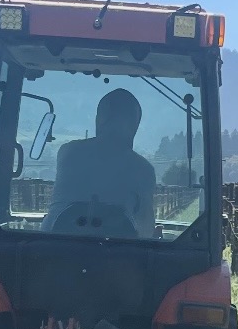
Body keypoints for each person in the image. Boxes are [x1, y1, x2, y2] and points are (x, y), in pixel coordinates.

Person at [42, 88, 157, 238]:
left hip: (50, 248)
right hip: (117, 257)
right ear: (134, 125)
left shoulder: (68, 152)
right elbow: (146, 229)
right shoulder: (143, 169)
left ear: (99, 120)